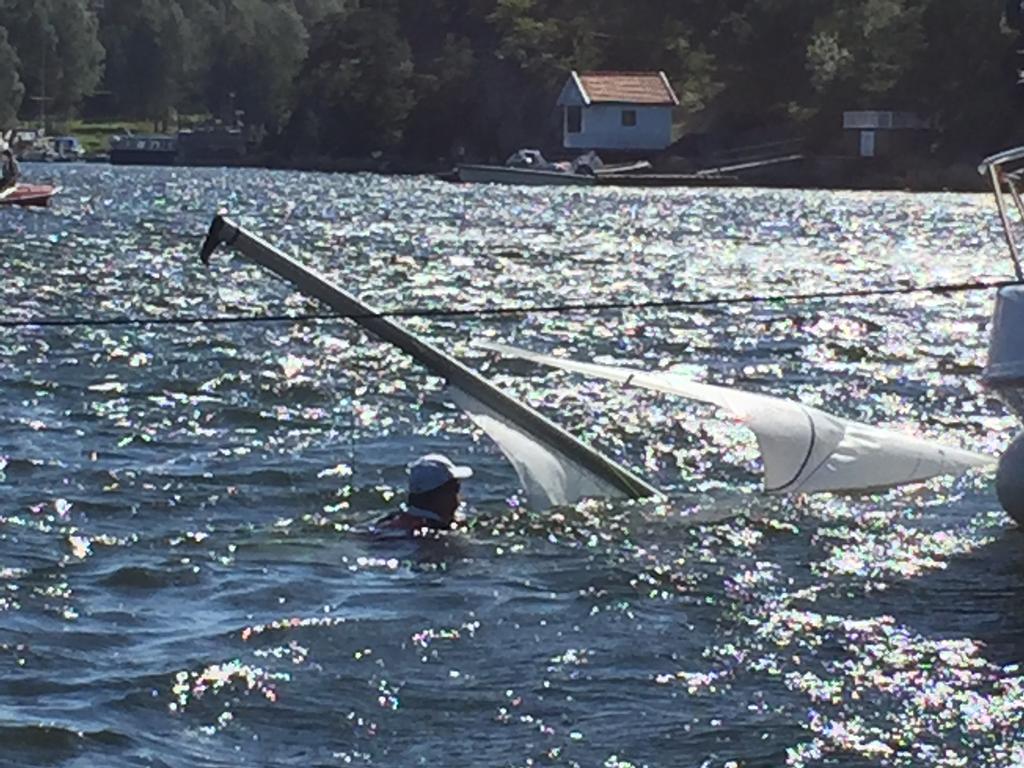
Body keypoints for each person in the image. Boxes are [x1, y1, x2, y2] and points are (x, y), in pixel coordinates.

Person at [373, 453, 473, 534]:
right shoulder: (436, 534)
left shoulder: (390, 522)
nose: (460, 496)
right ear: (440, 495)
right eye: (455, 487)